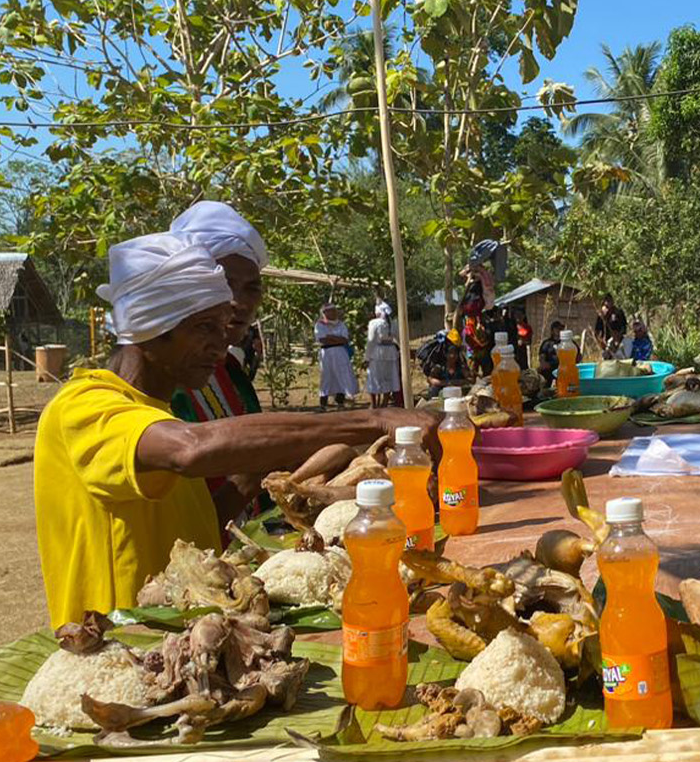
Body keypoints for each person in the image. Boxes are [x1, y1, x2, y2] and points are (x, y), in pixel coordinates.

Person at [34, 232, 437, 628]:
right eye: (204, 328)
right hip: (119, 643)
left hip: (185, 636)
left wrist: (254, 480)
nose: (221, 345)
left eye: (223, 327)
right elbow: (192, 449)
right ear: (150, 328)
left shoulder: (153, 412)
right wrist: (369, 421)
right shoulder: (83, 406)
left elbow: (194, 526)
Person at [168, 201, 268, 424]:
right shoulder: (152, 379)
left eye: (252, 288)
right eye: (224, 284)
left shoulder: (229, 369)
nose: (240, 303)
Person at [315, 304, 359, 409]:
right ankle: (323, 402)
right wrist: (336, 338)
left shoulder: (341, 324)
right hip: (327, 353)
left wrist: (331, 337)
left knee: (342, 374)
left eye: (334, 311)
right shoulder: (320, 325)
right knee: (327, 376)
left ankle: (341, 400)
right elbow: (322, 339)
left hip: (340, 352)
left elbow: (344, 339)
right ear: (325, 313)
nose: (334, 313)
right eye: (331, 311)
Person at [365, 300, 402, 407]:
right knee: (388, 377)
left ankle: (374, 404)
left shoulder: (374, 323)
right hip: (391, 352)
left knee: (374, 377)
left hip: (378, 352)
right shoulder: (393, 322)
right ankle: (384, 403)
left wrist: (367, 357)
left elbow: (371, 340)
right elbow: (398, 337)